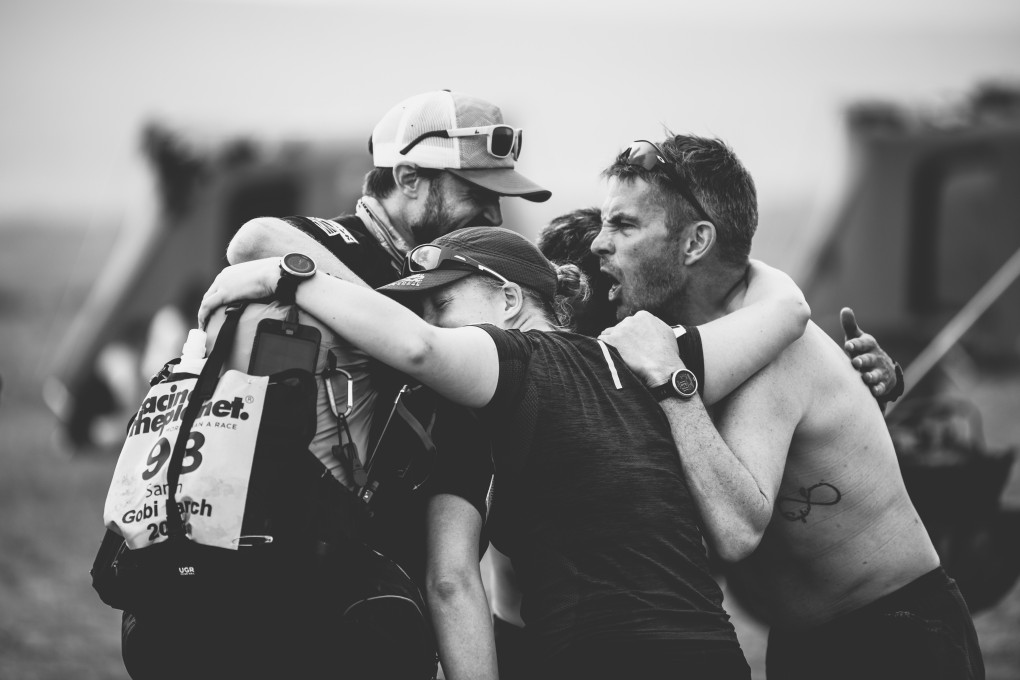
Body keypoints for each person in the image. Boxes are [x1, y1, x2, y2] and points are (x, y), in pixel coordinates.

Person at [197, 225, 814, 680]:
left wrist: (285, 275)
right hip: (713, 656)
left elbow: (418, 352)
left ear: (509, 300)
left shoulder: (517, 359)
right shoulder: (648, 360)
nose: (434, 320)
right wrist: (757, 270)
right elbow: (787, 312)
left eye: (443, 303)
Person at [119, 90, 548, 680]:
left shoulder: (413, 273)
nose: (493, 217)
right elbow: (255, 236)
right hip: (307, 598)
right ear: (409, 179)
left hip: (286, 587)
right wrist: (396, 325)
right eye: (476, 195)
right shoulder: (345, 250)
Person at [591, 135, 985, 679]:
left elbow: (734, 533)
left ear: (695, 242)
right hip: (805, 643)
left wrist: (670, 384)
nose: (598, 243)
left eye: (624, 225)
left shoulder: (772, 351)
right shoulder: (730, 332)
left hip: (895, 636)